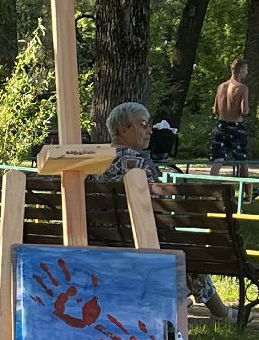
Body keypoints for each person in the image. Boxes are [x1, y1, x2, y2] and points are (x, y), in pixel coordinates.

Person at [104, 101, 234, 324]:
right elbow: (160, 210)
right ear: (122, 130)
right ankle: (222, 313)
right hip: (141, 241)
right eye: (143, 124)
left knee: (178, 251)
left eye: (149, 125)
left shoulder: (93, 160)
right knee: (183, 252)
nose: (150, 130)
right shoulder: (139, 164)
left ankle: (196, 303)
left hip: (102, 241)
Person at [211, 59, 250, 163]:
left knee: (218, 159)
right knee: (242, 159)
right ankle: (244, 180)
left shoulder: (220, 87)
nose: (247, 72)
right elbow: (244, 111)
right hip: (236, 127)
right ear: (241, 70)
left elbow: (215, 110)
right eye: (246, 70)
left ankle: (212, 179)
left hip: (221, 126)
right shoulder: (242, 88)